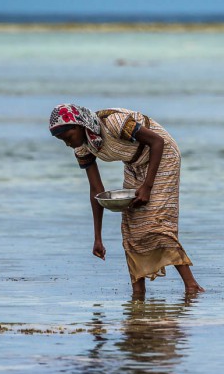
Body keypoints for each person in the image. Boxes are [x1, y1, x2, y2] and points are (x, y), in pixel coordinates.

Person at [49, 104, 204, 295]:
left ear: (78, 126)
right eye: (62, 141)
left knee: (157, 225)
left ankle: (191, 286)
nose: (67, 144)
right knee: (131, 228)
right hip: (134, 163)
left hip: (162, 156)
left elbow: (157, 142)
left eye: (67, 138)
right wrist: (97, 237)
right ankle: (138, 292)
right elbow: (96, 190)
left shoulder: (113, 123)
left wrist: (147, 187)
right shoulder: (83, 147)